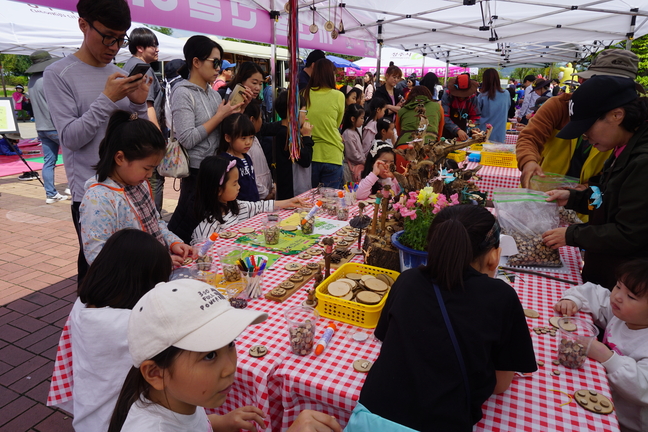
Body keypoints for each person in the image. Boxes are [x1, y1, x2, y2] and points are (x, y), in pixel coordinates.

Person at [355, 205, 537, 431]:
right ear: (494, 256)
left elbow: (388, 340)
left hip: (370, 419)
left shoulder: (407, 280)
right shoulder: (502, 297)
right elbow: (500, 384)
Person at [107, 278, 342, 432]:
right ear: (155, 373)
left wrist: (220, 422)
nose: (231, 368)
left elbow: (194, 424)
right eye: (209, 355)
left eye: (230, 344)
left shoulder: (179, 400)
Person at [44, 0, 150, 285]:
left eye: (120, 39)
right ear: (83, 24)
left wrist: (138, 105)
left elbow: (136, 135)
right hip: (92, 194)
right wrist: (106, 100)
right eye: (107, 37)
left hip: (129, 187)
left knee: (134, 267)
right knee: (98, 272)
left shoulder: (117, 74)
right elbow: (70, 138)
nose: (114, 47)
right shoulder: (58, 74)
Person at [542, 75, 648, 288]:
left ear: (617, 115)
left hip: (627, 285)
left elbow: (629, 234)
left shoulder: (642, 162)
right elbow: (604, 200)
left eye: (587, 128)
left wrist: (572, 235)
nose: (586, 137)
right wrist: (574, 198)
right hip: (606, 273)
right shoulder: (621, 148)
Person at [62, 229, 172, 432]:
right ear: (144, 283)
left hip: (89, 415)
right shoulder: (132, 323)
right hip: (122, 422)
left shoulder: (82, 305)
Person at [80, 111, 191, 266]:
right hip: (133, 278)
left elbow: (155, 223)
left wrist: (173, 242)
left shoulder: (140, 185)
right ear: (120, 158)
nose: (150, 175)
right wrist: (155, 263)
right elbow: (97, 256)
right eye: (146, 168)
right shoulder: (98, 200)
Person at [516, 49, 639, 189]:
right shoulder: (560, 105)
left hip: (587, 200)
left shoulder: (629, 124)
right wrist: (528, 161)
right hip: (541, 192)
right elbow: (530, 136)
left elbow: (615, 172)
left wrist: (586, 189)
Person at [167, 35, 248, 244]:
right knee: (187, 229)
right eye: (215, 62)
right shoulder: (182, 92)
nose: (218, 68)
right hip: (196, 173)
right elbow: (187, 138)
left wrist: (238, 112)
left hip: (215, 170)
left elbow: (220, 133)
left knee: (208, 229)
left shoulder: (212, 94)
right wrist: (219, 117)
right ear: (196, 62)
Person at [554, 259, 648, 432]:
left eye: (631, 296)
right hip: (598, 394)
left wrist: (607, 357)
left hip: (627, 422)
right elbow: (595, 294)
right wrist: (573, 300)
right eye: (618, 286)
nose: (617, 296)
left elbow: (643, 387)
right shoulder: (624, 314)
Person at [192, 155, 307, 242]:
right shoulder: (207, 227)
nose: (239, 187)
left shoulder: (237, 207)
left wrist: (288, 202)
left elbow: (259, 206)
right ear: (218, 190)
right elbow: (201, 256)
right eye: (234, 183)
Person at [122, 27, 166, 212]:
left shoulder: (128, 66)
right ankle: (154, 218)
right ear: (140, 47)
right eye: (153, 46)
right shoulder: (143, 69)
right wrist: (158, 138)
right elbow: (148, 107)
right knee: (153, 178)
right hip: (145, 136)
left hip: (132, 134)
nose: (157, 49)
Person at [25, 50, 70, 203]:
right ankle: (72, 186)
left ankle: (51, 194)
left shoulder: (31, 81)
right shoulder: (48, 78)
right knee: (73, 155)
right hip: (55, 126)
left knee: (49, 162)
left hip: (41, 127)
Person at [302, 58, 345, 188]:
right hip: (332, 154)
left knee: (309, 198)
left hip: (309, 154)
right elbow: (336, 124)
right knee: (330, 200)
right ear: (330, 75)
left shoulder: (303, 94)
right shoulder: (338, 96)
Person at [271, 91, 314, 200]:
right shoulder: (287, 135)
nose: (305, 115)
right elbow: (305, 160)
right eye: (304, 111)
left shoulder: (286, 132)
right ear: (294, 113)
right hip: (292, 192)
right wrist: (307, 137)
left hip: (290, 189)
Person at [218, 113, 259, 201]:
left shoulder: (247, 157)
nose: (248, 142)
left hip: (253, 205)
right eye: (243, 138)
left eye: (251, 137)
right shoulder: (225, 161)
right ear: (228, 138)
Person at [395, 86, 443, 150]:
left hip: (404, 146)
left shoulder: (402, 110)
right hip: (429, 146)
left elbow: (399, 133)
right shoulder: (437, 107)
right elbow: (439, 131)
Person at [244, 101, 273, 199]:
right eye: (260, 117)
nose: (261, 121)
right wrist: (265, 194)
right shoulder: (247, 145)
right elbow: (251, 175)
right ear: (252, 120)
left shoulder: (255, 139)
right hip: (259, 195)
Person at [441, 73, 480, 141]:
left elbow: (476, 116)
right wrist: (457, 130)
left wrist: (473, 127)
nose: (462, 97)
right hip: (448, 132)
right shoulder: (448, 96)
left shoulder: (472, 98)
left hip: (465, 133)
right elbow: (445, 117)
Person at [477, 68, 511, 143]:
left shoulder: (482, 96)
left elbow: (477, 114)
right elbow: (507, 108)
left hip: (484, 133)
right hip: (500, 133)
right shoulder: (506, 94)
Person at [341, 103, 366, 183]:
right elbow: (352, 154)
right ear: (353, 119)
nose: (363, 120)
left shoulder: (354, 132)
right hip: (350, 168)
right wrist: (364, 161)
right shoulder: (348, 133)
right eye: (361, 118)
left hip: (356, 166)